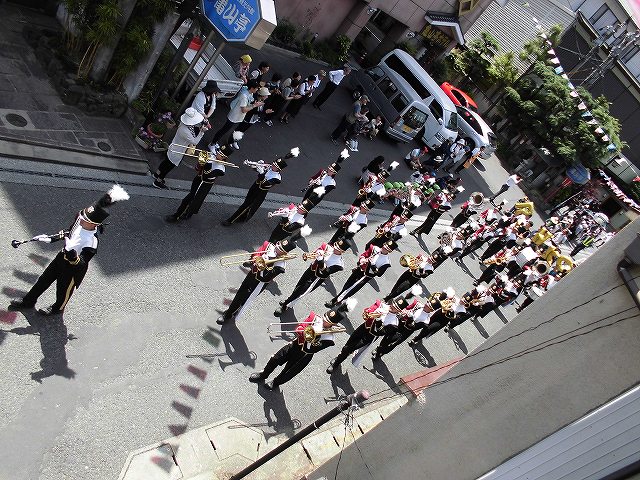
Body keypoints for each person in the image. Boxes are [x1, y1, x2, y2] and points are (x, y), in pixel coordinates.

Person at [8, 185, 130, 315]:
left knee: (63, 290)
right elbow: (68, 232)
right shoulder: (80, 223)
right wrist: (51, 238)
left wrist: (72, 255)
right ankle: (29, 301)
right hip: (60, 258)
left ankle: (57, 308)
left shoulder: (92, 242)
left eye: (85, 219)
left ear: (94, 224)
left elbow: (82, 262)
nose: (81, 218)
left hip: (72, 269)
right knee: (44, 279)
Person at [251, 303, 354, 390]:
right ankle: (263, 374)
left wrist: (316, 335)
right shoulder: (315, 318)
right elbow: (299, 327)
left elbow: (314, 348)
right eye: (325, 318)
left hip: (304, 355)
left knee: (288, 372)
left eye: (327, 322)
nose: (324, 321)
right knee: (275, 358)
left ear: (333, 324)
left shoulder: (330, 338)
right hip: (295, 345)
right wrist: (305, 331)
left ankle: (275, 382)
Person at [217, 239, 298, 324]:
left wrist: (263, 265)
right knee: (240, 293)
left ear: (284, 253)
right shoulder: (269, 246)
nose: (277, 249)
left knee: (245, 298)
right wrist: (255, 257)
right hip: (251, 275)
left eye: (280, 250)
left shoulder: (280, 265)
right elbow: (258, 252)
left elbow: (266, 278)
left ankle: (229, 314)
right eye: (278, 246)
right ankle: (231, 311)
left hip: (258, 283)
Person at [164, 136, 239, 223]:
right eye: (218, 152)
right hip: (198, 179)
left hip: (203, 185)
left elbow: (208, 174)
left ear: (224, 158)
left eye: (220, 155)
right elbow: (197, 168)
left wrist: (206, 163)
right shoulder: (212, 158)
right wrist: (201, 162)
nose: (217, 154)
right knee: (192, 198)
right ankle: (188, 213)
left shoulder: (221, 169)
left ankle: (176, 216)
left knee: (188, 200)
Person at [326, 297, 408, 374]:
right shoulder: (383, 306)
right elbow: (367, 312)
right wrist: (370, 312)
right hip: (363, 328)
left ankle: (336, 362)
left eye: (395, 307)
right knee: (348, 344)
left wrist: (378, 320)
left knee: (349, 347)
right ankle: (341, 355)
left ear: (398, 311)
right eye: (393, 304)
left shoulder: (394, 323)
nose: (392, 306)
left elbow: (379, 332)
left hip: (370, 336)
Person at [221, 148, 298, 225]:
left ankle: (230, 220)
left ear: (278, 169)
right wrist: (252, 165)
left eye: (275, 166)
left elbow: (265, 184)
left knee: (245, 206)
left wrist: (261, 173)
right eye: (273, 164)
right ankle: (242, 217)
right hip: (254, 187)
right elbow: (257, 170)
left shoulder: (277, 178)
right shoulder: (269, 167)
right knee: (246, 203)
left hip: (259, 193)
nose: (272, 165)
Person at [274, 238, 350, 316]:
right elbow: (313, 255)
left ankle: (285, 306)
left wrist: (321, 260)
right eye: (335, 245)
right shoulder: (327, 247)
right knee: (298, 286)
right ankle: (290, 300)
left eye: (337, 249)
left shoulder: (339, 264)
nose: (334, 248)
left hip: (316, 278)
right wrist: (313, 254)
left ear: (342, 252)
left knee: (300, 291)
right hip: (310, 270)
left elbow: (325, 272)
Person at [325, 240, 396, 307]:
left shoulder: (386, 262)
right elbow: (364, 254)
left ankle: (334, 301)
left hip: (365, 276)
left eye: (387, 248)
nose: (384, 248)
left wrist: (373, 265)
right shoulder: (375, 249)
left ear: (390, 251)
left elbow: (379, 274)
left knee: (351, 289)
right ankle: (341, 298)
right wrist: (362, 259)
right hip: (359, 269)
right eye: (385, 245)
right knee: (347, 285)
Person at [152, 107, 208, 189]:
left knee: (165, 162)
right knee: (168, 167)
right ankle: (158, 181)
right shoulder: (185, 131)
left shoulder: (183, 124)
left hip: (173, 147)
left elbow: (194, 128)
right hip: (177, 152)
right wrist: (202, 133)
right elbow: (194, 142)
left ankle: (156, 174)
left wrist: (201, 124)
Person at [208, 79, 262, 146]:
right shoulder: (244, 96)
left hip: (237, 116)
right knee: (224, 130)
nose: (257, 89)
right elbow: (244, 110)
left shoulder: (249, 93)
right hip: (234, 116)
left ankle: (215, 142)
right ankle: (212, 143)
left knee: (225, 130)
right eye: (256, 88)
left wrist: (253, 104)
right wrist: (254, 105)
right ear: (252, 88)